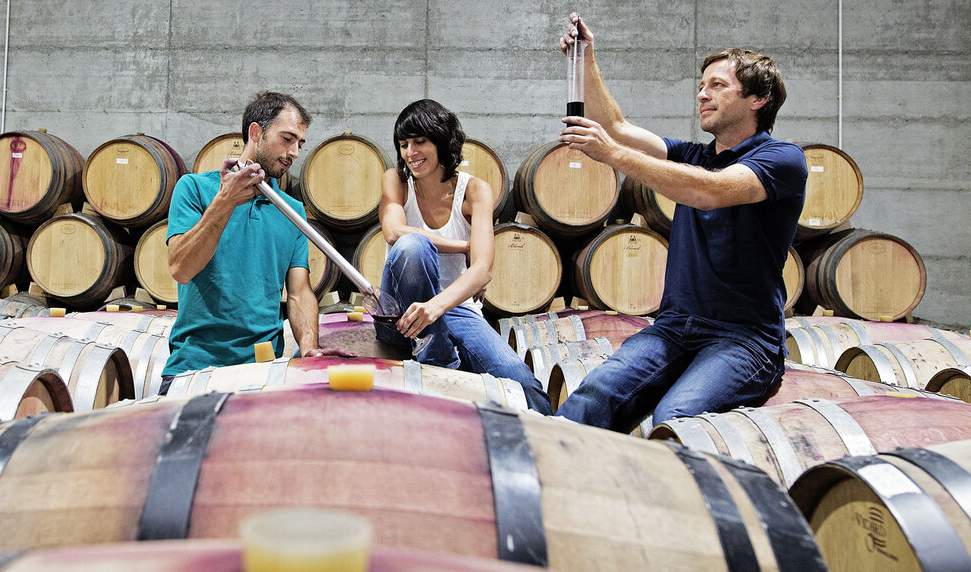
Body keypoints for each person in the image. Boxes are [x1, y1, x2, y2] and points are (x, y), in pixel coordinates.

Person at [554, 14, 808, 432]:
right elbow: (615, 126)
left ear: (758, 98)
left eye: (717, 86)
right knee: (592, 396)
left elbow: (711, 191)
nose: (702, 95)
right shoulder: (694, 154)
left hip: (743, 339)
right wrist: (586, 59)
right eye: (701, 85)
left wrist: (615, 154)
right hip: (674, 327)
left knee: (676, 418)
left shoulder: (781, 159)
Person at [161, 91, 348, 394]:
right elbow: (181, 268)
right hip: (195, 368)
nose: (295, 152)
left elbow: (299, 293)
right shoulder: (194, 188)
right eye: (287, 139)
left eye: (300, 143)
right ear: (256, 132)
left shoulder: (293, 211)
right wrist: (225, 201)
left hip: (263, 371)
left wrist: (310, 345)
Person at [375, 99, 552, 414]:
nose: (410, 152)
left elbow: (482, 270)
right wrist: (464, 246)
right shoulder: (397, 181)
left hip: (453, 307)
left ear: (442, 141)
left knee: (520, 381)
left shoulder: (475, 190)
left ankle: (553, 448)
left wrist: (435, 308)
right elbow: (393, 232)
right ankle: (438, 359)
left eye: (420, 141)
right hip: (398, 311)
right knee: (413, 245)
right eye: (403, 144)